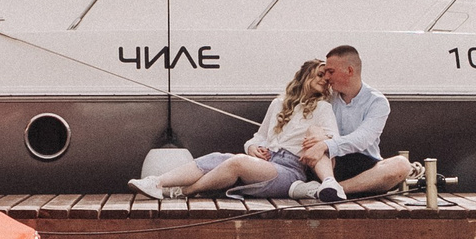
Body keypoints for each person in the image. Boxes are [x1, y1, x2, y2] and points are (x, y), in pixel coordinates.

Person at [132, 58, 346, 200]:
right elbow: (259, 137)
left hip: (290, 170)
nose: (325, 81)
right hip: (265, 161)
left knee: (236, 162)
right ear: (305, 76)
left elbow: (334, 142)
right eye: (319, 75)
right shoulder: (279, 104)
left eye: (327, 80)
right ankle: (156, 182)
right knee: (218, 156)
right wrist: (252, 147)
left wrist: (321, 138)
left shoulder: (322, 107)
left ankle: (185, 191)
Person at [304, 44, 412, 197]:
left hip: (366, 167)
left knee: (402, 165)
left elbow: (363, 139)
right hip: (330, 165)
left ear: (349, 71)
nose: (326, 77)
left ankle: (335, 189)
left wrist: (326, 143)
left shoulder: (377, 102)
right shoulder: (325, 98)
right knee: (314, 130)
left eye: (331, 72)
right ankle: (330, 186)